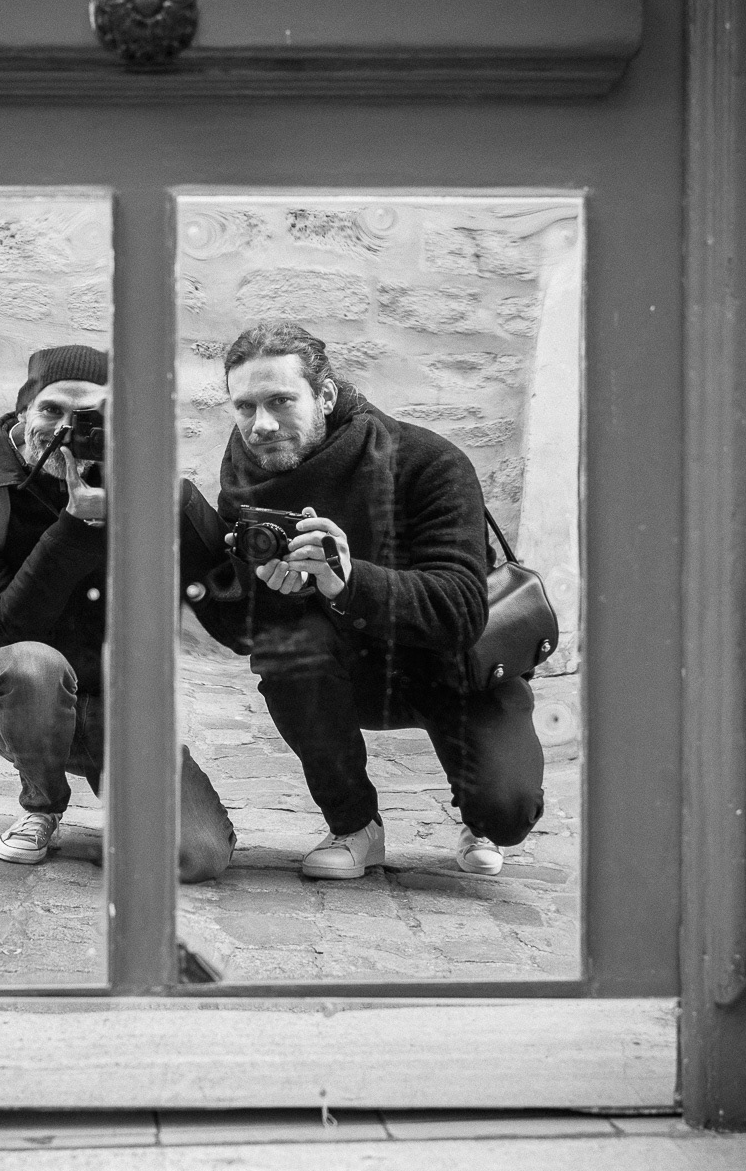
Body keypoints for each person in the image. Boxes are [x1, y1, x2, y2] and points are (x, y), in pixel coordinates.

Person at [180, 320, 544, 879]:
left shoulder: (427, 461)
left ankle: (480, 818)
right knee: (285, 648)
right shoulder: (247, 476)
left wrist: (350, 582)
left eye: (280, 401)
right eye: (245, 407)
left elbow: (462, 610)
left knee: (506, 811)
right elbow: (253, 630)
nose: (262, 424)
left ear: (325, 396)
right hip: (350, 668)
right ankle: (355, 827)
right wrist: (270, 592)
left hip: (453, 667)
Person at [0, 345, 236, 883]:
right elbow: (7, 628)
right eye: (51, 410)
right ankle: (42, 803)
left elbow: (227, 601)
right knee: (31, 664)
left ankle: (134, 797)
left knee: (195, 855)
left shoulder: (147, 485)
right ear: (24, 410)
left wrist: (170, 497)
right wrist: (76, 527)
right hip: (18, 697)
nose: (66, 429)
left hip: (123, 712)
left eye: (89, 417)